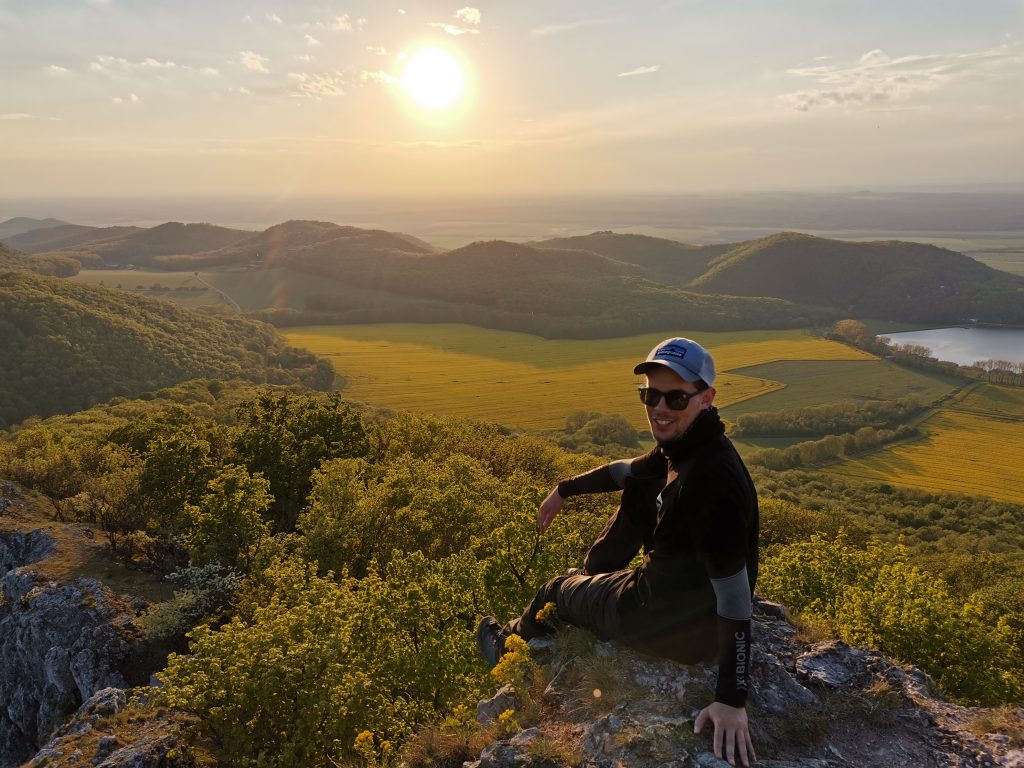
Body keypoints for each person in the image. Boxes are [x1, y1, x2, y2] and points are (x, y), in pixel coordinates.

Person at [477, 337, 759, 768]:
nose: (660, 407)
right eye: (650, 395)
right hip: (676, 604)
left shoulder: (708, 483)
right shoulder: (689, 448)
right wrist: (563, 490)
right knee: (640, 488)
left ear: (706, 398)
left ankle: (507, 645)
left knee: (553, 591)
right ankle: (592, 576)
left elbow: (737, 599)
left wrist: (731, 700)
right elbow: (627, 471)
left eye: (676, 397)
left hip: (658, 620)